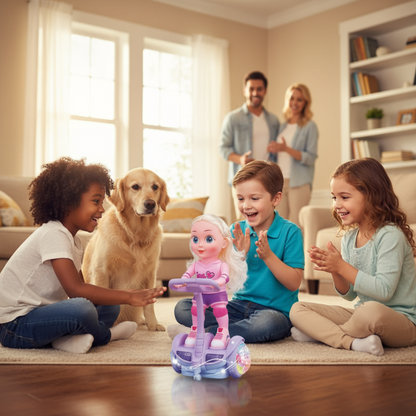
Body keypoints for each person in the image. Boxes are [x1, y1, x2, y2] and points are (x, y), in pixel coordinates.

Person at [0, 157, 166, 354]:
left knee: (110, 307)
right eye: (96, 201)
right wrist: (129, 296)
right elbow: (76, 290)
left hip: (42, 315)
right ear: (69, 203)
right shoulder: (54, 234)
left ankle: (68, 338)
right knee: (82, 309)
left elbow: (86, 290)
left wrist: (117, 299)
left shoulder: (73, 240)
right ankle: (106, 335)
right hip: (14, 325)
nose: (102, 209)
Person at [290, 158, 416, 356]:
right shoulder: (350, 238)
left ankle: (324, 335)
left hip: (402, 322)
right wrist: (335, 271)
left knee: (370, 311)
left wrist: (341, 267)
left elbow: (384, 291)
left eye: (344, 197)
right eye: (334, 197)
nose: (337, 205)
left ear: (371, 196)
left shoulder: (390, 235)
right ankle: (354, 343)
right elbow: (349, 295)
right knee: (297, 309)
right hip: (361, 315)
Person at [170, 160, 304, 343]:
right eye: (240, 198)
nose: (246, 205)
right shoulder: (235, 230)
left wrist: (268, 256)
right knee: (182, 308)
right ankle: (219, 330)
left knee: (267, 324)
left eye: (254, 198)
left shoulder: (290, 232)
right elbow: (224, 280)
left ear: (276, 198)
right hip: (236, 306)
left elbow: (294, 283)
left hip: (274, 311)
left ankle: (202, 333)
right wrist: (238, 257)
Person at [173, 214, 247, 349]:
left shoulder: (221, 264)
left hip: (216, 295)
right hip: (200, 295)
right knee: (194, 309)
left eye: (208, 239)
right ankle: (196, 329)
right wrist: (183, 281)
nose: (200, 244)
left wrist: (219, 281)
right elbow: (187, 275)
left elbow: (225, 276)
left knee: (219, 310)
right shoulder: (197, 264)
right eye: (195, 239)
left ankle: (223, 330)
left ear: (224, 243)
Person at [219, 71, 280, 220]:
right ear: (245, 90)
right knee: (245, 223)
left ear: (264, 91)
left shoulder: (273, 121)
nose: (255, 93)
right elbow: (223, 148)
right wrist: (240, 159)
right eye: (251, 89)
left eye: (259, 89)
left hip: (267, 181)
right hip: (242, 180)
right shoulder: (233, 118)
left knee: (268, 223)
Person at [267, 83, 318, 227]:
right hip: (280, 182)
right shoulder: (282, 126)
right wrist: (275, 150)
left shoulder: (310, 126)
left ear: (305, 102)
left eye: (299, 99)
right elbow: (280, 156)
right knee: (279, 224)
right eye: (292, 98)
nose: (294, 103)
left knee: (296, 225)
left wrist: (286, 149)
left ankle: (296, 251)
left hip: (299, 183)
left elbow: (310, 157)